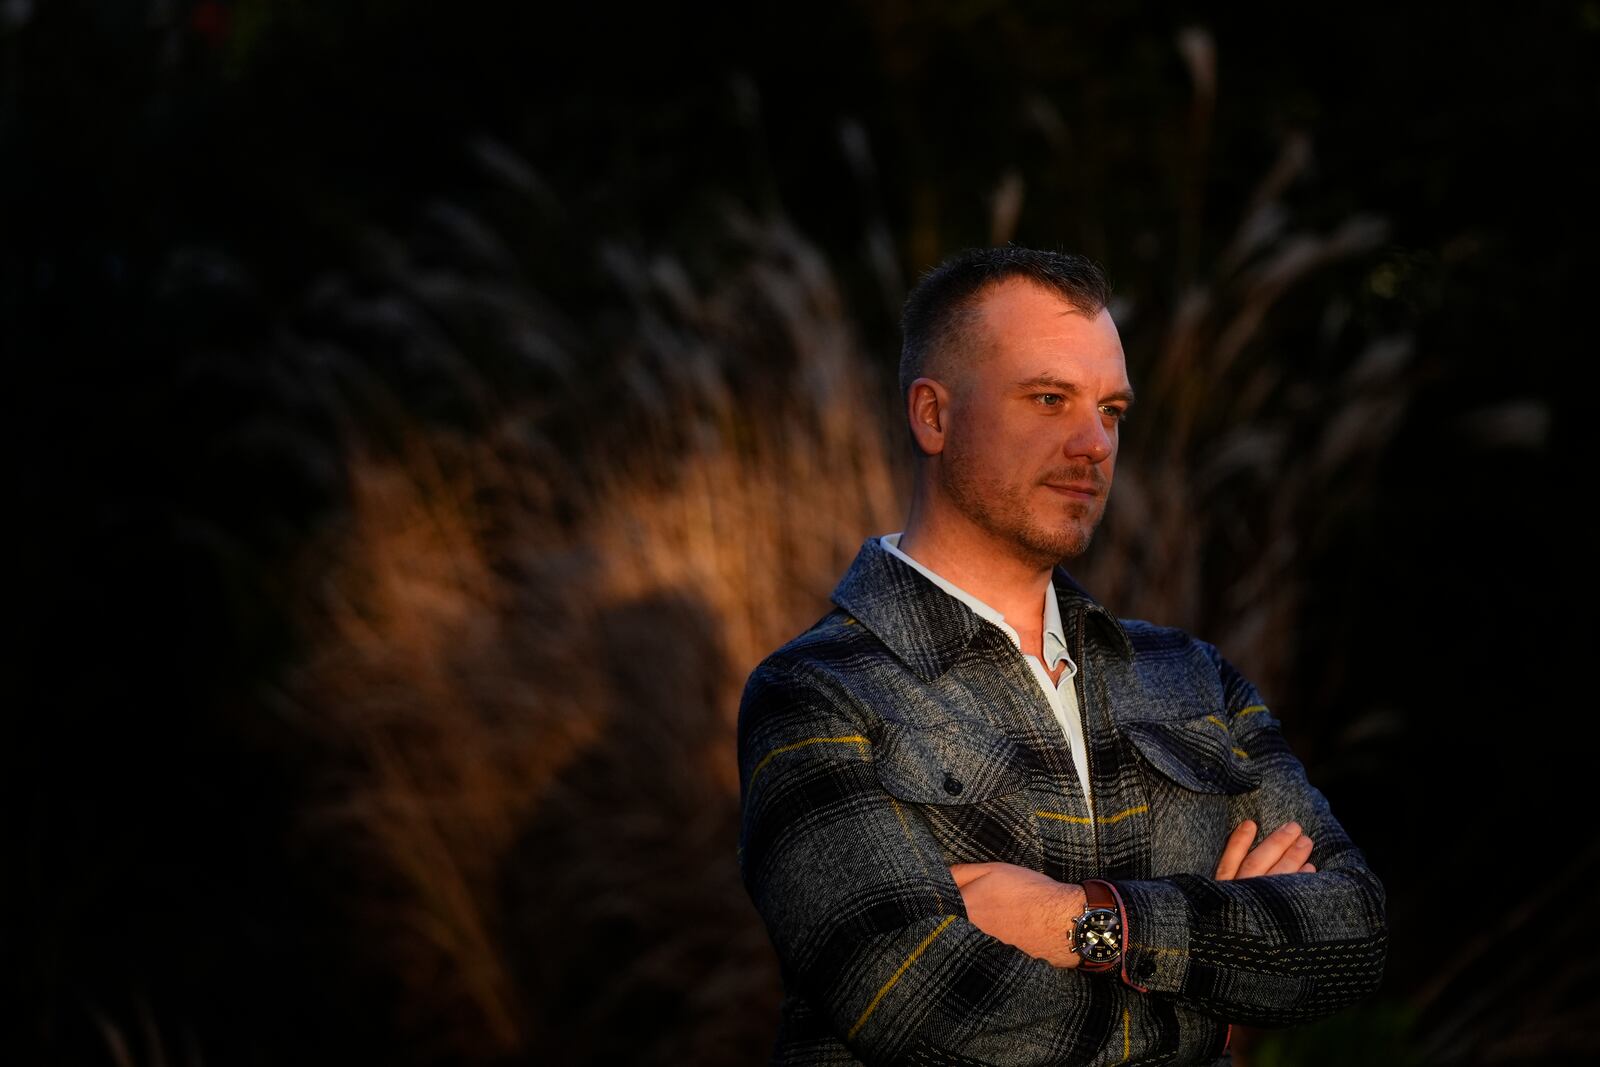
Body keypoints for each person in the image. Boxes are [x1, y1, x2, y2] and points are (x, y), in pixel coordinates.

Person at [735, 246, 1388, 1065]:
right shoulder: (815, 693)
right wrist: (1214, 1011)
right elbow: (915, 997)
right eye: (1049, 399)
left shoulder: (1190, 676)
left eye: (1111, 409)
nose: (1093, 444)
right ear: (933, 416)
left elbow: (1352, 931)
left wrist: (1088, 919)